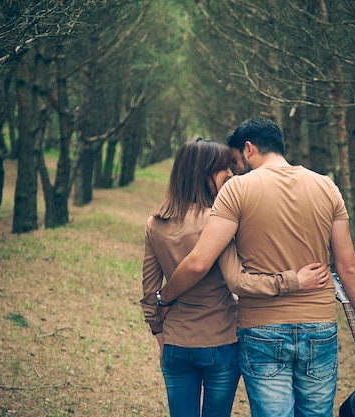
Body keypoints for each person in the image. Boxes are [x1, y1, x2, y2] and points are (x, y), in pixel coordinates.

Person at [157, 119, 355, 417]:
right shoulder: (327, 187)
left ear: (249, 149)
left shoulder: (237, 189)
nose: (236, 169)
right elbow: (349, 267)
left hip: (262, 328)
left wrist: (164, 298)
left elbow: (200, 261)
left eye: (236, 160)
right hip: (319, 327)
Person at [140, 138, 328, 417]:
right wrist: (293, 281)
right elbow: (238, 281)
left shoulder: (155, 223)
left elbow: (149, 293)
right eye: (222, 169)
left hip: (175, 346)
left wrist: (160, 337)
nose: (230, 174)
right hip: (221, 344)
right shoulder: (219, 222)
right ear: (202, 174)